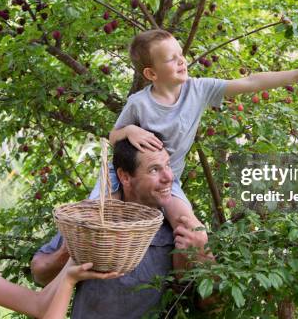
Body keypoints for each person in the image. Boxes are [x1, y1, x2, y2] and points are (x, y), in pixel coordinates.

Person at [89, 29, 298, 239]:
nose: (182, 61)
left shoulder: (198, 89)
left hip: (167, 180)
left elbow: (249, 82)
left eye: (181, 55)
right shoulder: (139, 103)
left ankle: (180, 288)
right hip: (123, 175)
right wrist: (129, 130)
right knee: (93, 218)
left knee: (193, 232)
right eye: (171, 59)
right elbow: (113, 136)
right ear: (152, 74)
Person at [32, 134, 212, 318]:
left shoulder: (181, 230)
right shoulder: (94, 221)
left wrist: (204, 255)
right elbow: (40, 275)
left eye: (167, 165)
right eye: (154, 170)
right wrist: (68, 251)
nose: (169, 177)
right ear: (125, 177)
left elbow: (212, 308)